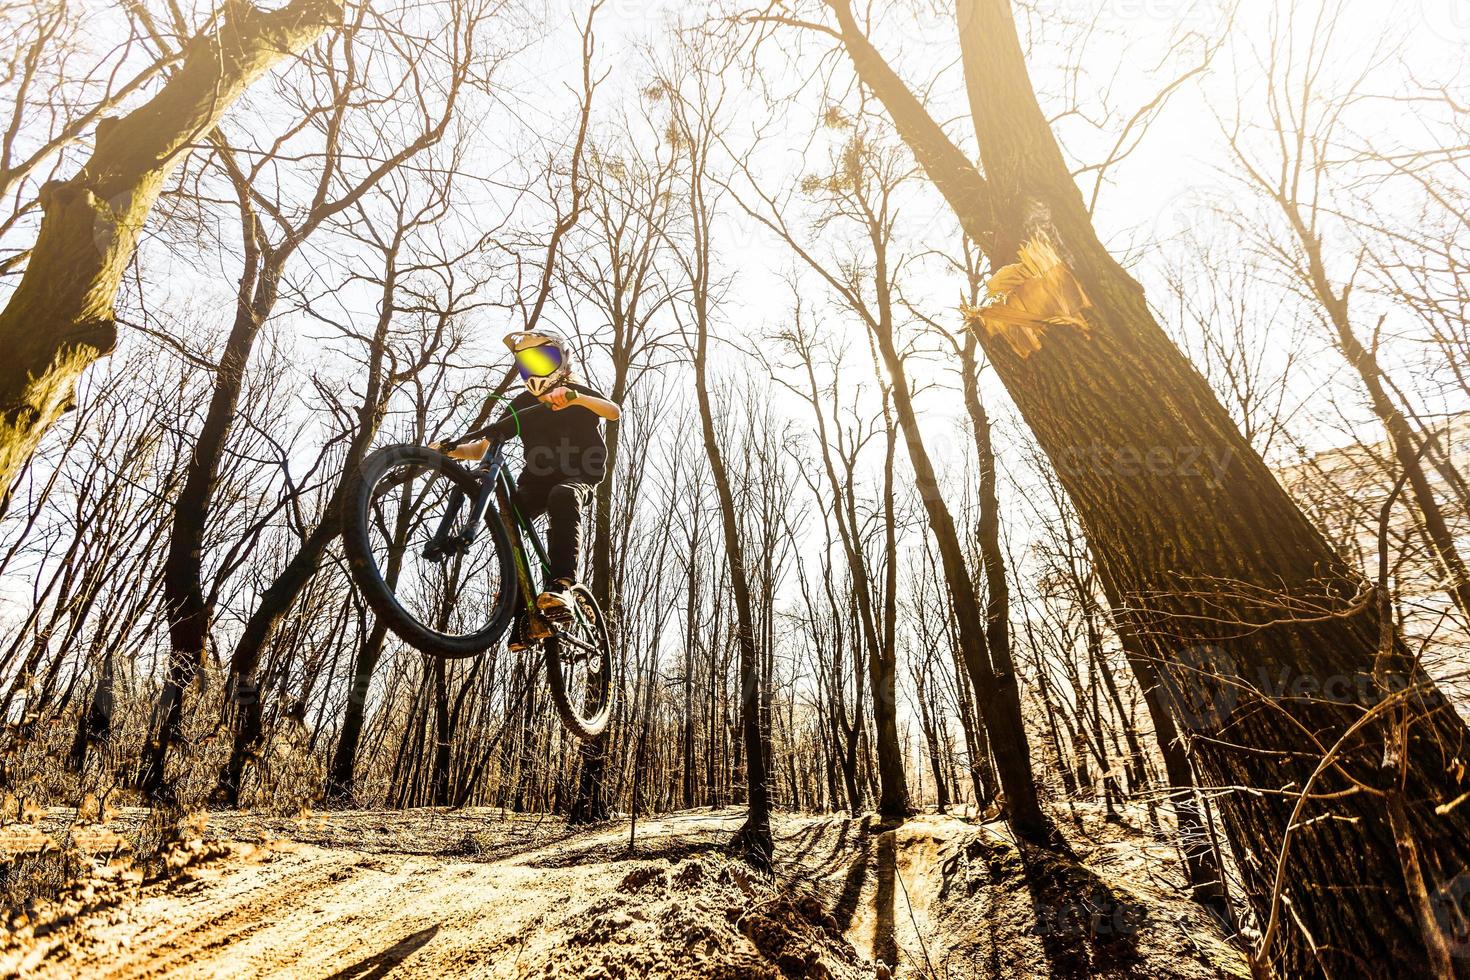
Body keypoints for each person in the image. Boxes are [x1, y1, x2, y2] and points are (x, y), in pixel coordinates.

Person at [437, 327, 620, 648]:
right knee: (509, 522)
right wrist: (450, 450)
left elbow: (613, 411)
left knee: (563, 495)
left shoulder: (575, 392)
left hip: (579, 476)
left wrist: (575, 398)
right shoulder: (521, 403)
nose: (534, 369)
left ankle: (562, 584)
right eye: (527, 363)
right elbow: (482, 447)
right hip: (535, 482)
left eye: (542, 359)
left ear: (561, 361)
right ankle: (524, 617)